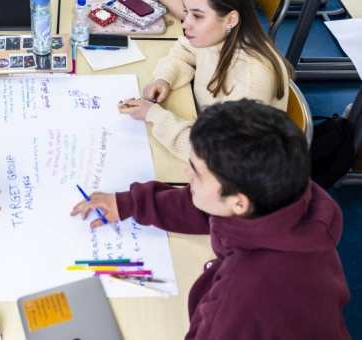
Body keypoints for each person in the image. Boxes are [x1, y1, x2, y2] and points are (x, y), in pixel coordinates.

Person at [71, 100, 351, 339]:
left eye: (195, 171)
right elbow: (204, 206)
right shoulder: (288, 195)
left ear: (239, 202)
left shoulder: (243, 293)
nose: (185, 172)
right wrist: (127, 203)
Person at [119, 0, 290, 162]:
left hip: (240, 175)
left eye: (198, 16)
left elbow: (219, 155)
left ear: (231, 19)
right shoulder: (217, 36)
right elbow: (184, 51)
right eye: (186, 12)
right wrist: (164, 78)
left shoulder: (252, 79)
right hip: (208, 129)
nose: (185, 24)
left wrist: (154, 115)